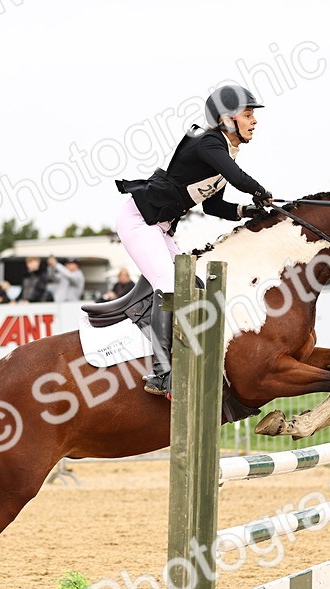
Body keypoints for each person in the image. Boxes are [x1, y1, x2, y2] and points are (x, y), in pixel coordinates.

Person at [114, 84, 273, 396]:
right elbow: (239, 177)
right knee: (170, 284)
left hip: (159, 227)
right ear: (228, 119)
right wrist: (261, 191)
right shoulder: (209, 142)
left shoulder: (222, 149)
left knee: (196, 287)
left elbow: (213, 205)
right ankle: (160, 373)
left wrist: (246, 210)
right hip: (138, 221)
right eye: (248, 114)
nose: (255, 121)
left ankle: (181, 352)